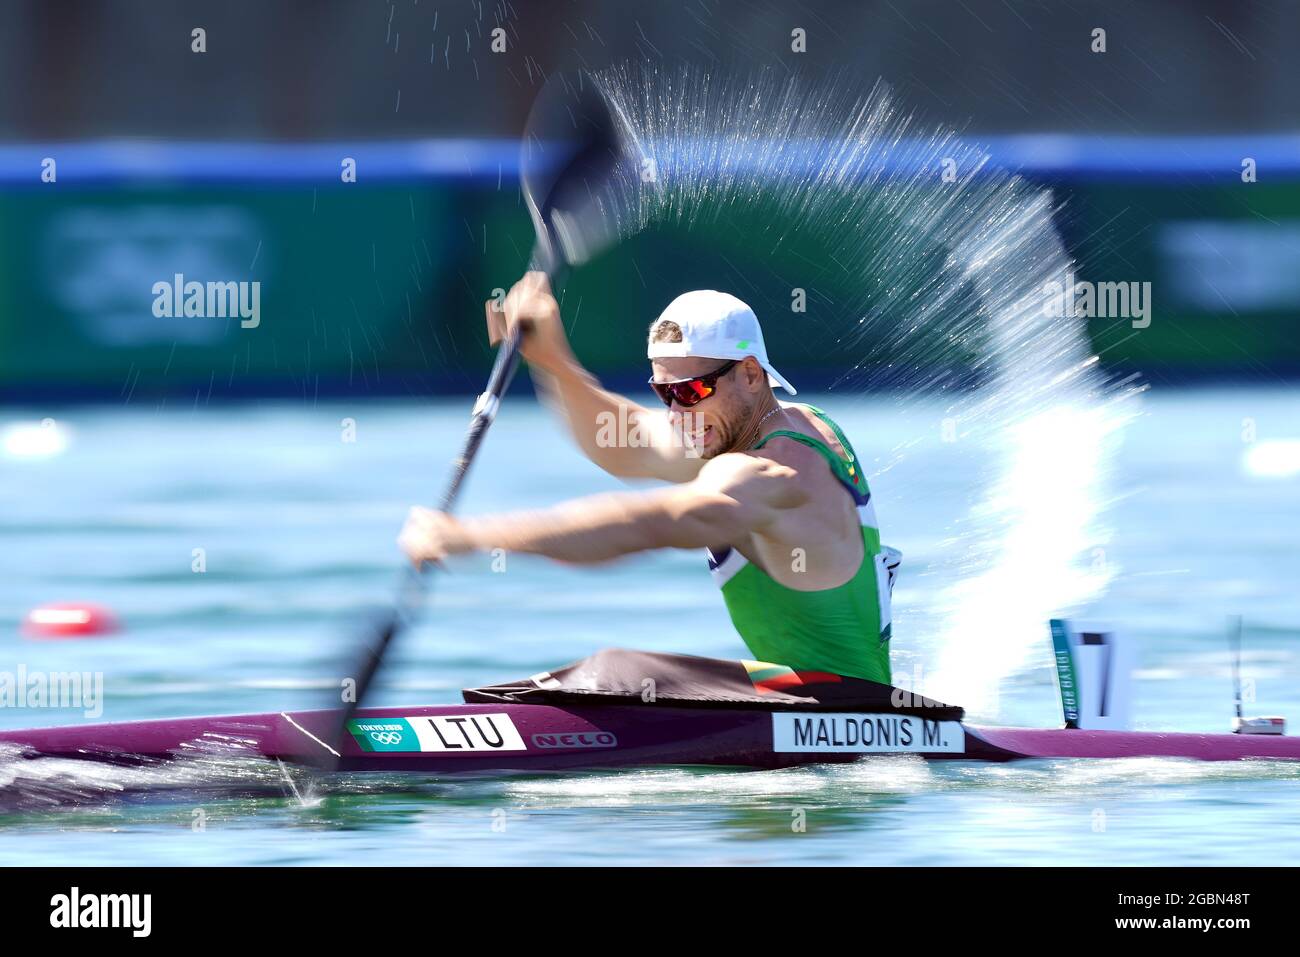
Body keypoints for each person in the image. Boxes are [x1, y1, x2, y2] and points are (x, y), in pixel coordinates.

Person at [399, 272, 895, 683]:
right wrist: (550, 359)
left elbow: (652, 522)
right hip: (814, 697)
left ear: (749, 373)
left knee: (614, 672)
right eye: (665, 392)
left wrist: (472, 536)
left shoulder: (776, 471)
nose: (677, 411)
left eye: (692, 389)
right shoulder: (769, 422)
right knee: (619, 671)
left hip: (834, 710)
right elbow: (625, 440)